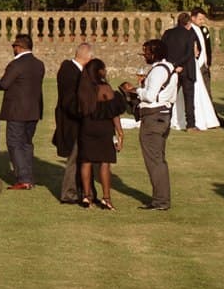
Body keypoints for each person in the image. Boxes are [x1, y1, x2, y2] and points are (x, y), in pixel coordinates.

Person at [0, 32, 46, 190]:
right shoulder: (39, 64)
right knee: (27, 144)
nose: (13, 49)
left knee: (14, 143)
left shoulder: (16, 64)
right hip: (34, 110)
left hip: (17, 111)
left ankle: (24, 179)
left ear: (19, 47)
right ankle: (29, 177)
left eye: (14, 46)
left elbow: (4, 84)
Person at [129, 38, 177, 211]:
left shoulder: (158, 71)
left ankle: (161, 201)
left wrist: (136, 91)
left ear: (154, 53)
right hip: (163, 115)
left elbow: (150, 96)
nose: (144, 56)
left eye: (146, 52)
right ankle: (161, 199)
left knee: (154, 161)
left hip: (153, 117)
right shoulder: (170, 68)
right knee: (158, 160)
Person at [75, 57, 126, 210]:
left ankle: (86, 196)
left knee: (86, 162)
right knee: (105, 163)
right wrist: (120, 132)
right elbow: (113, 112)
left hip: (86, 127)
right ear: (99, 71)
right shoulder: (105, 88)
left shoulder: (83, 88)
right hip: (103, 128)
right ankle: (106, 198)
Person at [54, 41, 93, 204]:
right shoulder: (69, 71)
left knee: (81, 157)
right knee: (74, 157)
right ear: (88, 58)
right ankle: (69, 193)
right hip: (72, 122)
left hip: (76, 120)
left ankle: (82, 190)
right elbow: (69, 101)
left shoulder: (73, 70)